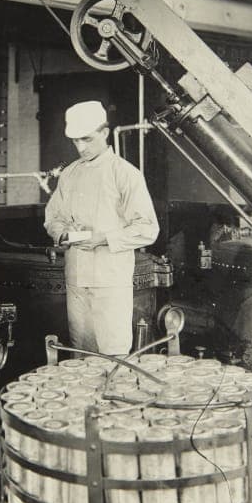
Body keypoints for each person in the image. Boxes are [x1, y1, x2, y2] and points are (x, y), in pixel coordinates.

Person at [43, 100, 159, 356]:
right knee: (80, 350)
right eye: (75, 141)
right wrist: (62, 233)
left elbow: (148, 228)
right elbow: (52, 217)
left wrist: (103, 238)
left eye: (87, 139)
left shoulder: (125, 174)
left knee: (113, 355)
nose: (81, 148)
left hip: (110, 281)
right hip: (75, 278)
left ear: (105, 133)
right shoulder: (69, 174)